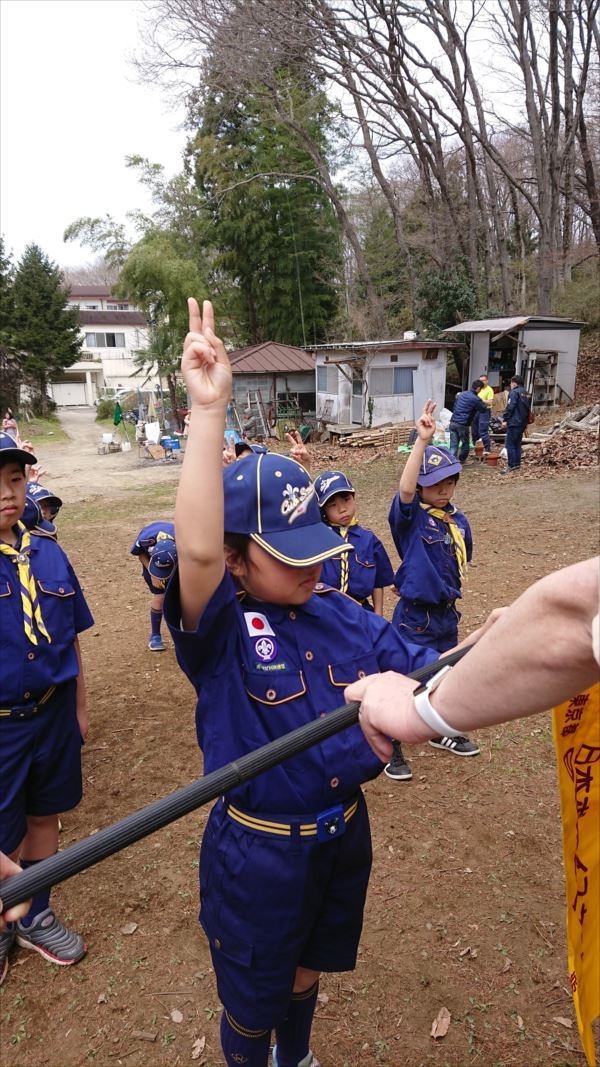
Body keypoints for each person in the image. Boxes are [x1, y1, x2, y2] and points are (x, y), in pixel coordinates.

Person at [164, 298, 442, 1067]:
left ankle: (300, 1056)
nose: (314, 561)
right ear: (239, 559)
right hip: (258, 855)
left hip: (340, 834)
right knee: (251, 1003)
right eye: (287, 551)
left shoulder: (340, 612)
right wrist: (208, 410)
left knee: (309, 969)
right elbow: (193, 552)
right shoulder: (219, 631)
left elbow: (422, 672)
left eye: (315, 542)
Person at [0, 431, 93, 984]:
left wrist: (80, 706)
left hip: (54, 713)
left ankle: (35, 913)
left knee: (45, 813)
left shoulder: (49, 553)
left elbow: (73, 639)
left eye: (14, 480)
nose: (7, 493)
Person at [345, 555, 599, 757]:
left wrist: (481, 638)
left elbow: (427, 667)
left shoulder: (347, 616)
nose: (314, 570)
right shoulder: (342, 608)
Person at [385, 400, 480, 781]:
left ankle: (442, 731)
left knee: (445, 673)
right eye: (434, 484)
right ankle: (391, 744)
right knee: (405, 674)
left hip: (445, 612)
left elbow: (459, 561)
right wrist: (422, 443)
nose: (443, 490)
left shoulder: (458, 521)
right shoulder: (411, 520)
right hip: (415, 615)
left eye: (448, 482)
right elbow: (405, 492)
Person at [314, 470, 394, 616]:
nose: (342, 509)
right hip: (326, 613)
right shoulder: (319, 537)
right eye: (332, 505)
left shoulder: (368, 539)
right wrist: (304, 465)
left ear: (354, 497)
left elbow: (378, 582)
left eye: (346, 499)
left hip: (361, 612)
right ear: (323, 510)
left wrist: (378, 614)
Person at [130, 522, 177, 651]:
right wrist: (153, 574)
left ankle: (178, 635)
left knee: (178, 598)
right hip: (153, 565)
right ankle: (155, 635)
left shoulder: (183, 541)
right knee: (160, 596)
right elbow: (140, 555)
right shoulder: (145, 539)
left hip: (177, 566)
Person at [449, 381, 489, 462]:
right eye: (480, 389)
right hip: (463, 424)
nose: (480, 391)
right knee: (465, 443)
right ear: (478, 388)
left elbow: (454, 406)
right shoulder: (476, 399)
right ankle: (462, 459)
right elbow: (483, 409)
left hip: (453, 422)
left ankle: (451, 462)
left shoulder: (462, 394)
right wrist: (484, 402)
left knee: (453, 444)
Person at [500, 374, 531, 473]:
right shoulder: (526, 393)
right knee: (517, 443)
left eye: (511, 383)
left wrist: (505, 419)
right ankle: (517, 464)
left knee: (510, 444)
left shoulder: (514, 392)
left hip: (514, 421)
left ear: (514, 383)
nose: (510, 385)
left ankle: (511, 465)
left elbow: (511, 407)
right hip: (523, 422)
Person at [471, 374, 494, 453]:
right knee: (474, 430)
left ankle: (487, 448)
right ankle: (476, 448)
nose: (482, 382)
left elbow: (490, 402)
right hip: (476, 411)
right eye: (480, 380)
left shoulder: (489, 390)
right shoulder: (477, 389)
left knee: (483, 430)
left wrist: (480, 400)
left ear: (487, 381)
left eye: (483, 380)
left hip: (484, 411)